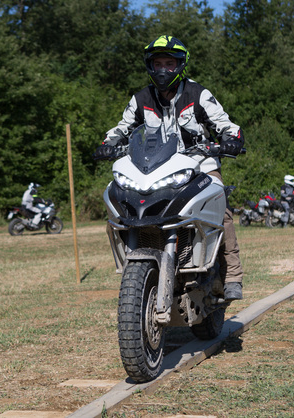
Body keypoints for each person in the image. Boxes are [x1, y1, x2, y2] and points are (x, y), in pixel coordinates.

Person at [94, 35, 245, 300]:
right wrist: (108, 143)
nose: (163, 69)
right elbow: (121, 127)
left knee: (222, 210)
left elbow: (226, 124)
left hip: (199, 166)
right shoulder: (141, 99)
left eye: (169, 63)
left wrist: (231, 141)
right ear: (150, 66)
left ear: (180, 66)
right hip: (152, 169)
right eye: (158, 63)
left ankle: (233, 275)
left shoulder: (198, 94)